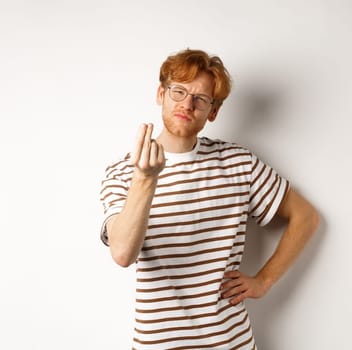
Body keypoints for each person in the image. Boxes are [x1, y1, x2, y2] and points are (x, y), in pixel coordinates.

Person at [99, 49, 319, 349]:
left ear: (212, 111)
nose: (187, 104)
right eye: (179, 91)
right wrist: (146, 179)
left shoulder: (238, 162)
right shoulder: (124, 173)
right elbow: (122, 254)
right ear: (161, 93)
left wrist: (263, 281)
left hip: (231, 342)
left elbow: (306, 217)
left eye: (201, 99)